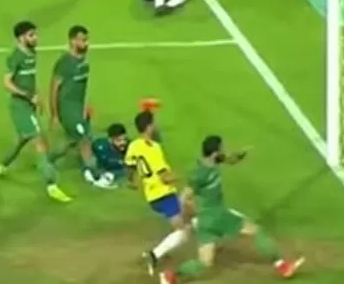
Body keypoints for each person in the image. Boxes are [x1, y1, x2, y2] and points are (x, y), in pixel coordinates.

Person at [157, 136, 305, 283]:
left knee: (204, 263)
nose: (224, 151)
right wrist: (187, 215)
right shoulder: (201, 174)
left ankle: (170, 277)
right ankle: (282, 266)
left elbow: (228, 160)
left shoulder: (206, 163)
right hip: (218, 215)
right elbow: (183, 198)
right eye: (222, 149)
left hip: (204, 222)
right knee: (256, 231)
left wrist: (238, 156)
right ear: (214, 153)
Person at [0, 20, 73, 203]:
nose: (36, 38)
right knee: (40, 142)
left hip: (29, 105)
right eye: (31, 35)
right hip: (19, 107)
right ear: (21, 38)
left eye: (36, 34)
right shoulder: (15, 57)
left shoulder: (32, 53)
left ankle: (2, 165)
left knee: (23, 139)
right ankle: (51, 185)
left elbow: (30, 80)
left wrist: (38, 98)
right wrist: (28, 96)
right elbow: (6, 83)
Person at [125, 110, 191, 276]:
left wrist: (132, 181)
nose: (157, 126)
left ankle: (209, 232)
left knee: (189, 209)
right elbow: (165, 177)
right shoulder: (153, 149)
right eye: (154, 124)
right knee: (183, 233)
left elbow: (130, 165)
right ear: (149, 127)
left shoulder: (134, 145)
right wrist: (185, 177)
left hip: (151, 195)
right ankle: (154, 255)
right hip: (164, 194)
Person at [49, 25, 115, 189]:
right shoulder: (64, 63)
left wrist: (85, 106)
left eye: (87, 40)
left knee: (72, 141)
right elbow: (54, 89)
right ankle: (96, 175)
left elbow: (81, 88)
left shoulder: (84, 62)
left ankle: (47, 160)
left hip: (79, 110)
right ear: (72, 41)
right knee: (85, 140)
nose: (86, 43)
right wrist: (55, 115)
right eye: (83, 40)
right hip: (68, 111)